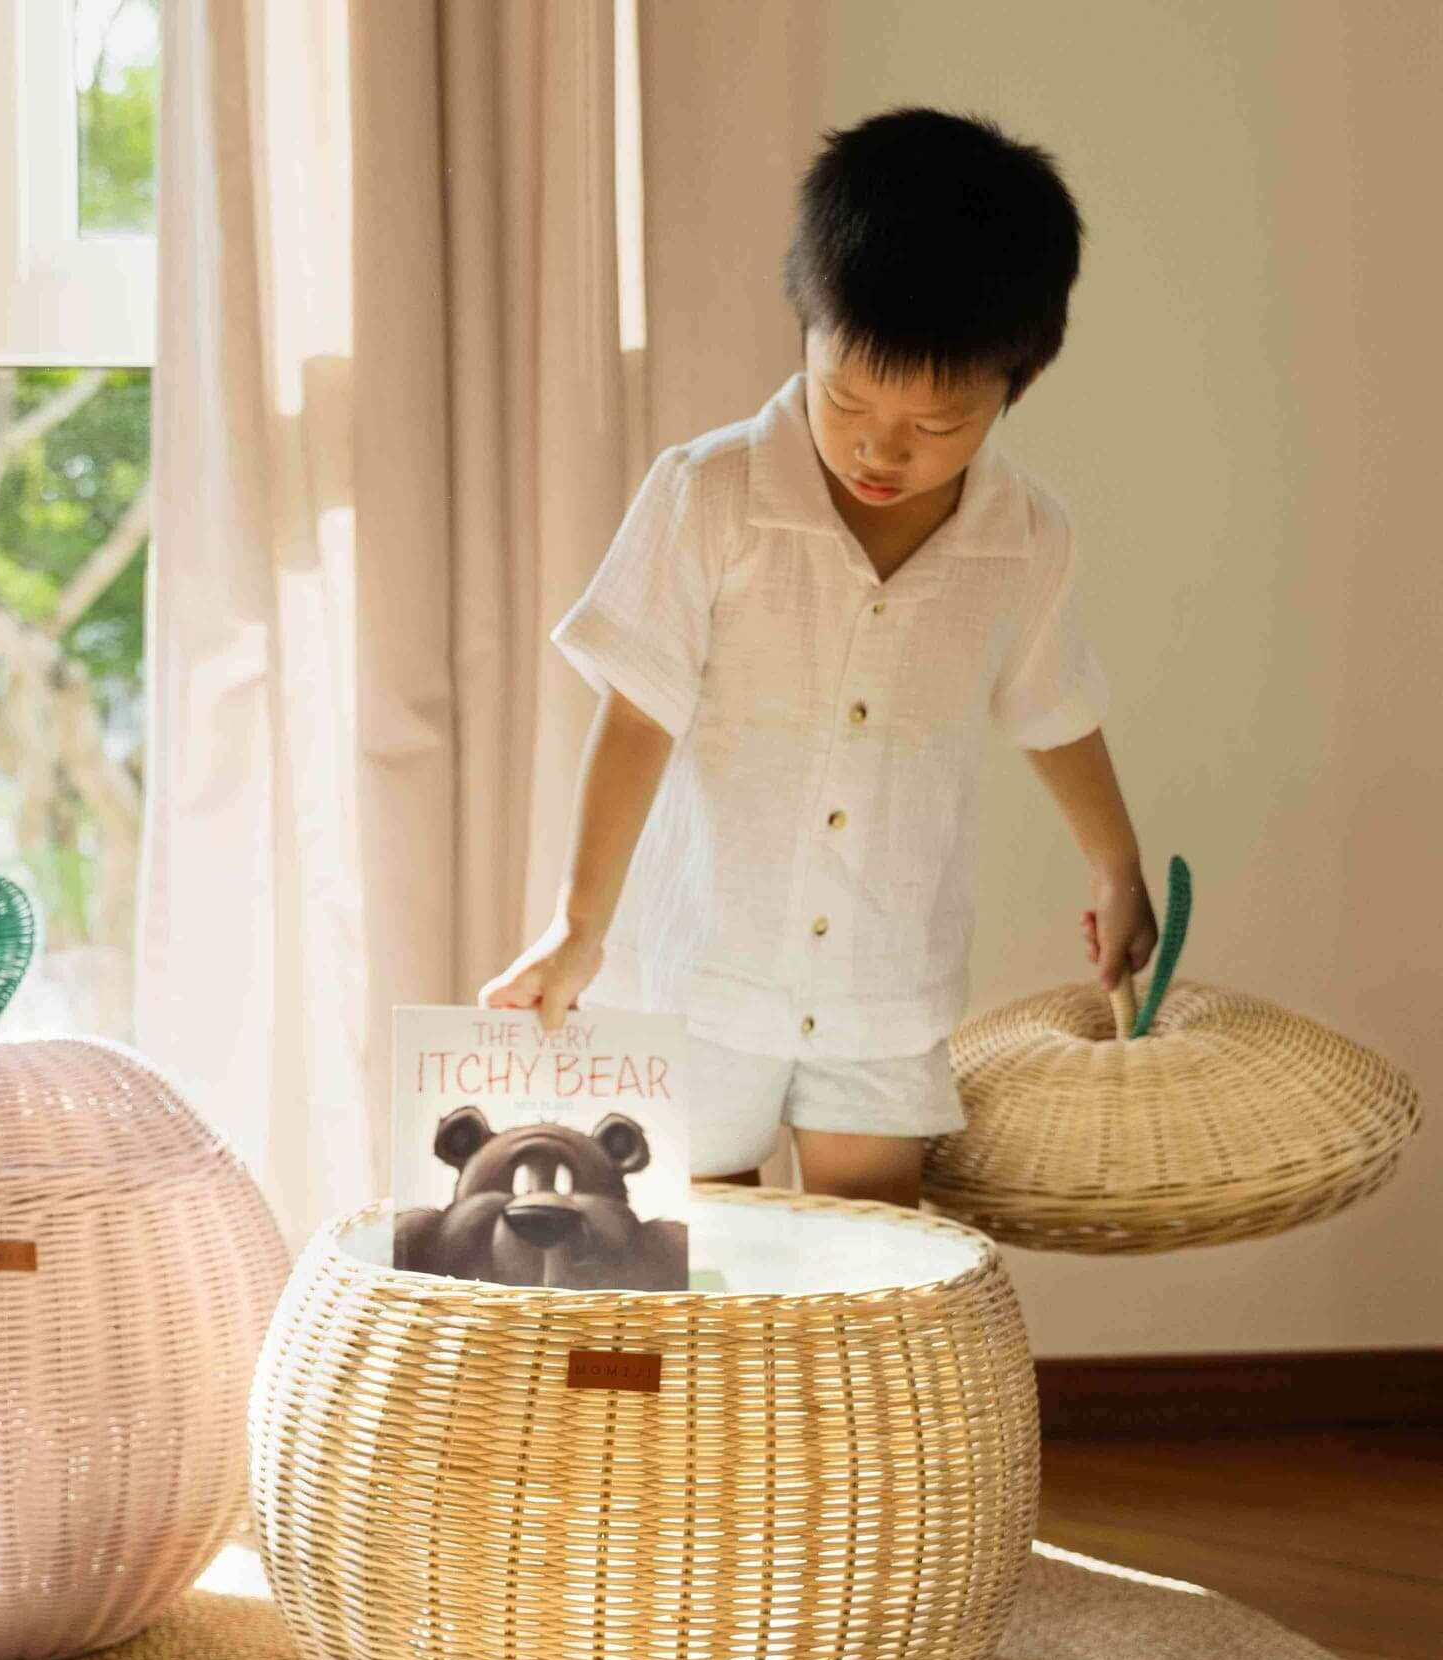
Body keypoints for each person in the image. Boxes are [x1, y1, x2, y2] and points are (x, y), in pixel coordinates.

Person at [482, 103, 1157, 1217]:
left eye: (934, 424)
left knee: (870, 1261)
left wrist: (1114, 866)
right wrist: (577, 925)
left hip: (883, 988)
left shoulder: (1025, 537)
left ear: (1013, 387)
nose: (878, 448)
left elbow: (1053, 706)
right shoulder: (708, 495)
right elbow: (637, 715)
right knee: (707, 1255)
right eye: (846, 400)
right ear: (805, 324)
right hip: (708, 972)